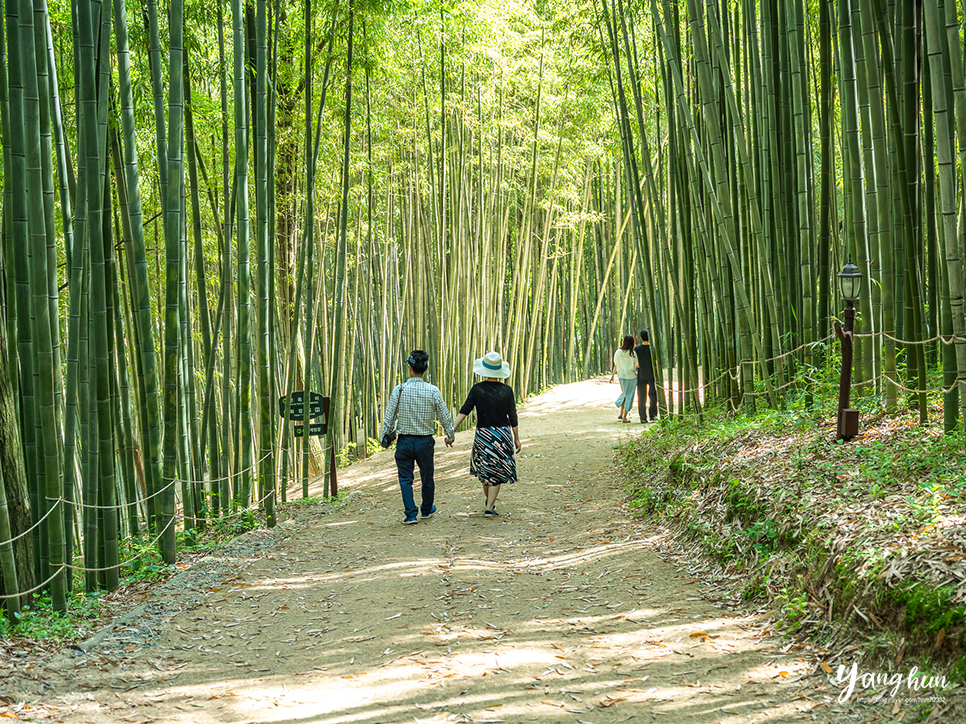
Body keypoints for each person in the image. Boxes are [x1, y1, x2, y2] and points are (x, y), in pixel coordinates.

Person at [380, 350, 455, 525]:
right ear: (426, 368)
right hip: (425, 441)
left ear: (409, 367)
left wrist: (384, 435)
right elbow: (445, 416)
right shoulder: (433, 391)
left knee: (406, 478)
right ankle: (427, 509)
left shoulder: (399, 390)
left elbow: (389, 416)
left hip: (404, 441)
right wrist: (449, 435)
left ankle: (411, 514)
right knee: (427, 476)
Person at [450, 351, 521, 519]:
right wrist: (516, 438)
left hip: (483, 436)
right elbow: (513, 416)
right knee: (496, 472)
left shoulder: (477, 389)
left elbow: (464, 411)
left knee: (485, 471)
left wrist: (452, 429)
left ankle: (489, 504)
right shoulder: (507, 390)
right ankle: (489, 506)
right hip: (502, 435)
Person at [609, 334, 637, 422]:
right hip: (631, 377)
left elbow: (616, 365)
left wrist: (612, 376)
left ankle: (621, 413)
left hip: (621, 376)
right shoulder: (633, 353)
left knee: (625, 393)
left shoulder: (618, 352)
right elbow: (637, 365)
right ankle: (624, 417)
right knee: (629, 395)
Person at [635, 329, 658, 423]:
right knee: (653, 395)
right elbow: (656, 362)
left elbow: (636, 363)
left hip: (641, 375)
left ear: (641, 337)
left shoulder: (637, 349)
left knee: (641, 396)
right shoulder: (653, 348)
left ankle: (643, 417)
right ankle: (653, 416)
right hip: (652, 374)